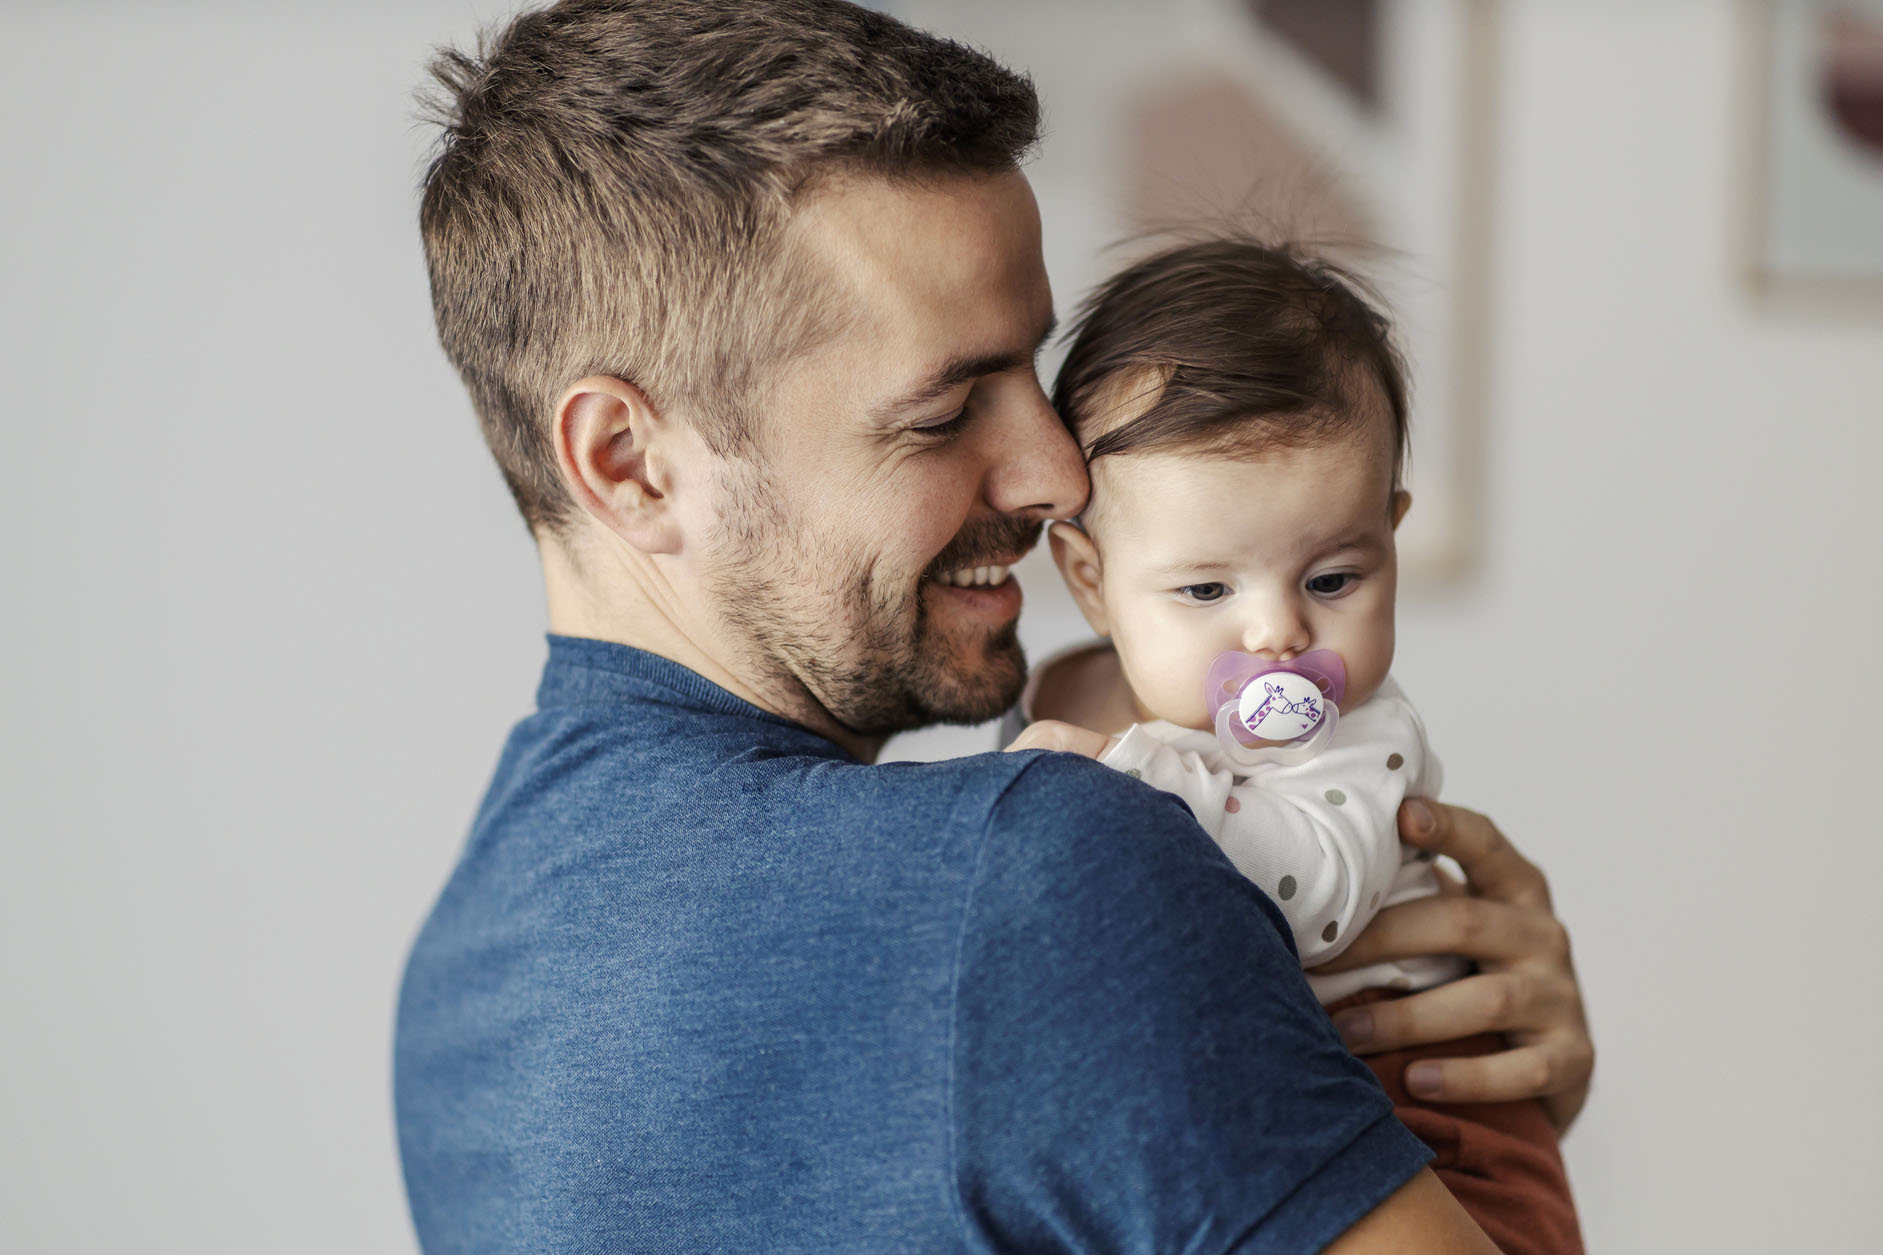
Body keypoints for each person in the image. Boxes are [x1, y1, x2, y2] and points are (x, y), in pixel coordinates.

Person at [393, 2, 1593, 1251]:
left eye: (1032, 369)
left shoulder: (455, 987)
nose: (1057, 475)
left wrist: (1348, 1115)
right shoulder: (1051, 862)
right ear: (629, 463)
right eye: (945, 409)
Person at [1004, 238, 1583, 1253]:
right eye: (1205, 588)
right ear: (1090, 580)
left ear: (1388, 537)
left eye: (1331, 579)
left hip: (1442, 1139)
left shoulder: (1362, 734)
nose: (1277, 631)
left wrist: (1127, 790)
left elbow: (1311, 905)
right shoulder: (1064, 692)